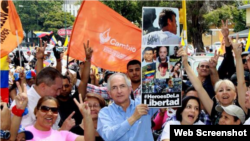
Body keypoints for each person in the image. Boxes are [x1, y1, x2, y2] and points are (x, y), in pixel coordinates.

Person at [178, 46, 246, 125]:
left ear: (235, 95)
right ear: (216, 96)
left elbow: (241, 82)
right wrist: (186, 64)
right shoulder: (214, 111)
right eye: (220, 90)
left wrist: (238, 56)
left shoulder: (242, 106)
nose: (224, 92)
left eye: (228, 89)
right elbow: (199, 88)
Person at [97, 73, 158, 141]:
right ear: (109, 93)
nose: (119, 91)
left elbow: (166, 95)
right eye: (114, 87)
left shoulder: (143, 103)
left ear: (130, 89)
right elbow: (108, 136)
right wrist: (133, 118)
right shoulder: (105, 113)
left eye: (122, 86)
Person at [25, 95, 95, 141]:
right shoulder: (24, 133)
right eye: (45, 109)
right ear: (36, 111)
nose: (50, 113)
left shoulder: (63, 135)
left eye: (54, 110)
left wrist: (87, 116)